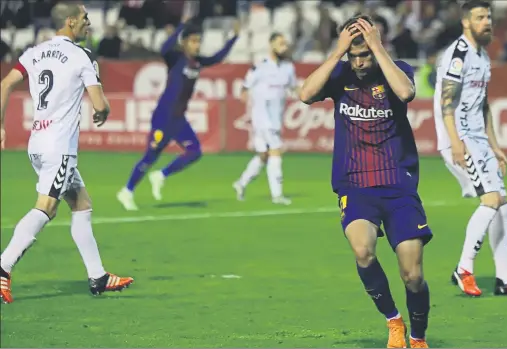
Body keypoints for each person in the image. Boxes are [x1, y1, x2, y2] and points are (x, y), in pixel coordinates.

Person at [299, 15, 432, 349]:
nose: (359, 62)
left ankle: (418, 337)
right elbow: (305, 94)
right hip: (355, 184)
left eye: (364, 54)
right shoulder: (340, 73)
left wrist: (377, 47)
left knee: (413, 276)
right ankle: (394, 322)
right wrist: (336, 52)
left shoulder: (395, 69)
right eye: (354, 55)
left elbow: (406, 92)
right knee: (363, 251)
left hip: (397, 183)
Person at [0, 3, 134, 304]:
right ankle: (3, 266)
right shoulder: (82, 56)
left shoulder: (33, 53)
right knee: (46, 207)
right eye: (86, 19)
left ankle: (98, 276)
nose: (89, 24)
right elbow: (100, 105)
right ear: (71, 21)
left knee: (81, 204)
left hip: (38, 143)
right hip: (59, 147)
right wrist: (105, 110)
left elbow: (6, 83)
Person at [433, 0, 507, 297]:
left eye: (489, 17)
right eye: (480, 17)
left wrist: (496, 146)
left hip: (478, 140)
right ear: (466, 22)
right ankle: (464, 268)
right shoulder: (458, 54)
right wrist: (456, 143)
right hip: (461, 138)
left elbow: (483, 105)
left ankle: (504, 279)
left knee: (502, 203)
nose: (487, 22)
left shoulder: (482, 55)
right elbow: (447, 102)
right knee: (491, 199)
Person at [117, 18, 240, 210]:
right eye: (193, 41)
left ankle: (161, 175)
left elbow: (217, 58)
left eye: (199, 42)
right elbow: (164, 49)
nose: (197, 45)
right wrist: (180, 27)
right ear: (184, 43)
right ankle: (127, 191)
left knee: (194, 152)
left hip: (178, 120)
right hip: (163, 117)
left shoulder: (198, 62)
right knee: (150, 156)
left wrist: (235, 37)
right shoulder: (176, 59)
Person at [233, 32, 298, 205]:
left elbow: (294, 88)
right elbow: (245, 87)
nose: (284, 47)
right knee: (276, 151)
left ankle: (241, 183)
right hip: (263, 119)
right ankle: (277, 195)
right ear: (271, 45)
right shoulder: (260, 67)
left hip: (276, 118)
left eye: (285, 44)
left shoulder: (288, 68)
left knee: (263, 155)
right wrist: (247, 94)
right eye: (280, 43)